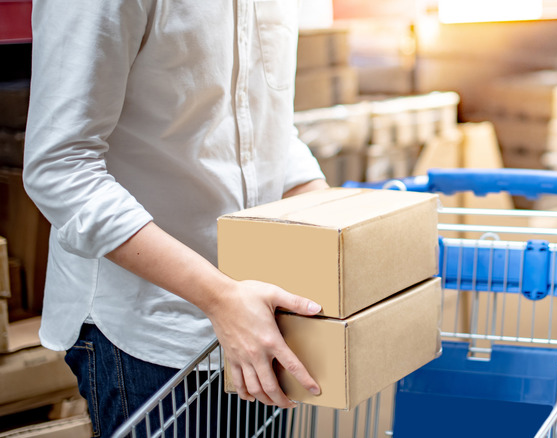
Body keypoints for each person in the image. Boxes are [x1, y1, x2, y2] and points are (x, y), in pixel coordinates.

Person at [23, 1, 328, 435]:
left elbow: (266, 126)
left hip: (260, 319)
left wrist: (341, 235)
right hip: (152, 332)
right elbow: (61, 167)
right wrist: (221, 298)